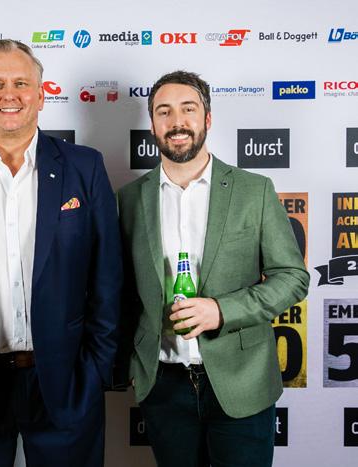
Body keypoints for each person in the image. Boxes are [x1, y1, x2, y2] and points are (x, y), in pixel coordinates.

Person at [0, 39, 122, 467]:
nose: (8, 94)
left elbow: (108, 278)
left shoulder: (84, 167)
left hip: (67, 380)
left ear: (41, 95)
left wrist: (95, 370)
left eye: (20, 83)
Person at [116, 70, 309, 467]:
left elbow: (293, 277)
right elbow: (119, 292)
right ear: (152, 124)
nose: (177, 121)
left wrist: (221, 311)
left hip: (243, 383)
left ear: (207, 118)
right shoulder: (129, 200)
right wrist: (132, 365)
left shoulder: (254, 190)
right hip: (163, 387)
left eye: (188, 109)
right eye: (164, 111)